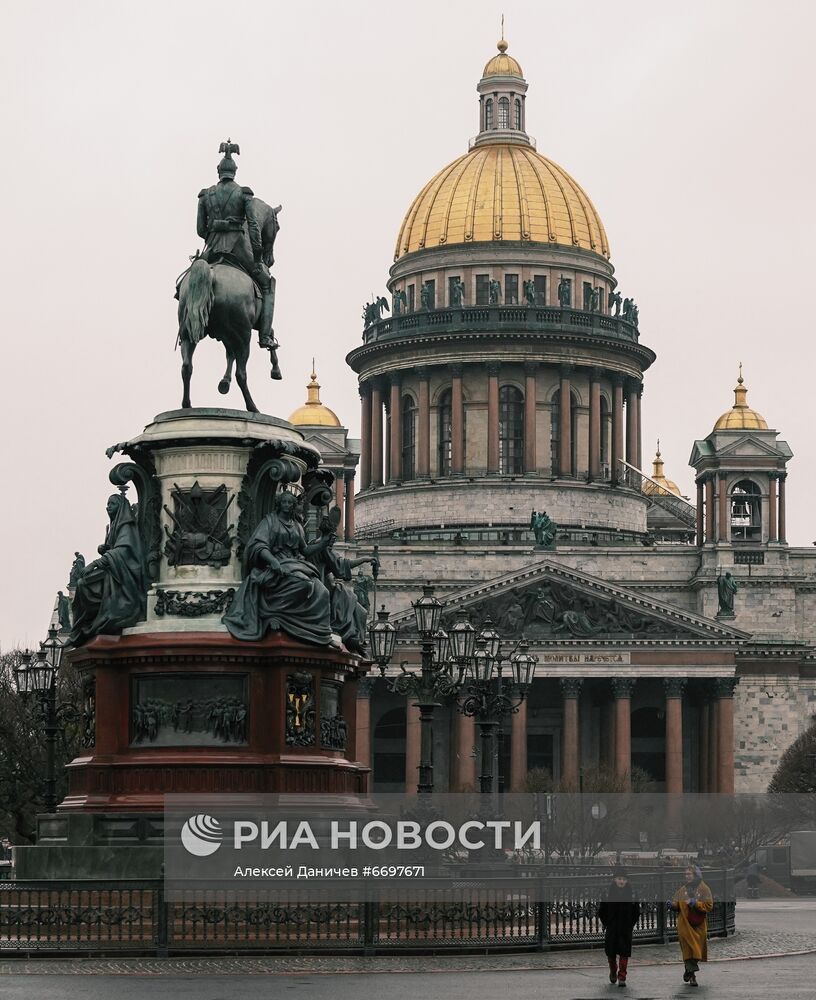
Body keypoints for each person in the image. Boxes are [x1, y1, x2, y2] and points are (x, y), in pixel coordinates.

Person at [222, 490, 335, 645]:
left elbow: (305, 550)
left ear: (294, 505)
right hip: (277, 565)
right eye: (284, 502)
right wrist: (273, 561)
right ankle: (273, 613)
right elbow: (259, 545)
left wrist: (323, 542)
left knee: (323, 592)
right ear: (279, 504)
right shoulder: (270, 521)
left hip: (296, 565)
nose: (287, 505)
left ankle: (322, 634)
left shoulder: (297, 526)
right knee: (304, 584)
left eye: (290, 502)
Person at [196, 142, 276, 349]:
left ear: (218, 171)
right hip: (238, 248)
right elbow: (253, 228)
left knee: (186, 281)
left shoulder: (205, 195)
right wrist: (257, 255)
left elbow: (200, 231)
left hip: (212, 249)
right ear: (235, 172)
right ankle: (265, 336)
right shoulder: (244, 194)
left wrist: (215, 228)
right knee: (267, 284)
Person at [70, 493, 147, 644]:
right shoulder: (116, 525)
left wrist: (95, 563)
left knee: (83, 584)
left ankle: (90, 625)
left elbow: (123, 551)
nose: (108, 507)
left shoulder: (126, 525)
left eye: (112, 504)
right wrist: (104, 548)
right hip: (115, 569)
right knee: (82, 584)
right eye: (107, 504)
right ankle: (83, 628)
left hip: (125, 573)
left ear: (120, 507)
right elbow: (115, 549)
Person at [668, 865, 713, 987]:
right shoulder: (683, 890)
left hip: (698, 924)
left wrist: (695, 903)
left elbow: (709, 906)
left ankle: (688, 970)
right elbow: (677, 904)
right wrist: (672, 905)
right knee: (688, 949)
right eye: (686, 874)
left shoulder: (704, 889)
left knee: (697, 949)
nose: (687, 876)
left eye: (690, 874)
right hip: (684, 924)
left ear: (695, 875)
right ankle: (692, 976)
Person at [598, 866, 640, 987]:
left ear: (627, 881)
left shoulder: (632, 894)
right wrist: (607, 923)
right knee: (610, 953)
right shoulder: (607, 893)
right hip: (612, 927)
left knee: (624, 953)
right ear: (614, 880)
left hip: (625, 928)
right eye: (619, 878)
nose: (621, 881)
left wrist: (630, 924)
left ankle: (622, 976)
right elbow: (602, 911)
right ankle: (613, 970)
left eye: (623, 879)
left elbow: (636, 911)